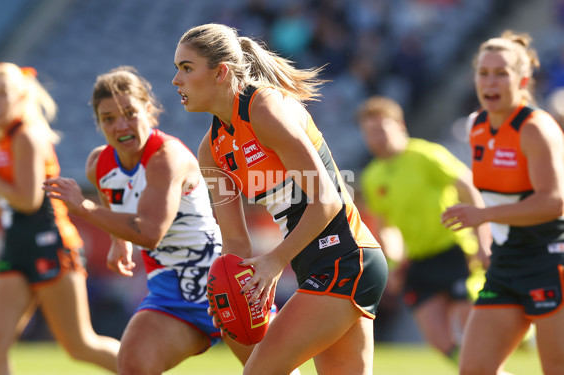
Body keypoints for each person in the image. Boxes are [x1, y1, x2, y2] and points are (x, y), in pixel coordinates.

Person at [171, 23, 388, 375]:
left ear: (221, 72)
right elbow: (236, 242)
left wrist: (275, 261)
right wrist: (230, 289)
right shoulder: (210, 152)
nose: (176, 81)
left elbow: (328, 201)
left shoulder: (264, 109)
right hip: (318, 264)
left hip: (345, 256)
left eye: (186, 68)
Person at [43, 66, 255, 374]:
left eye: (130, 112)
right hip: (170, 296)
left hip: (222, 283)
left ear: (149, 110)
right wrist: (119, 241)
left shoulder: (167, 158)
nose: (121, 126)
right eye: (109, 119)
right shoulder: (98, 164)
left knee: (273, 369)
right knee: (133, 365)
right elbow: (114, 198)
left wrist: (84, 209)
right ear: (99, 124)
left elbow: (151, 231)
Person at [0, 62, 119, 374]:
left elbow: (29, 199)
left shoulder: (27, 136)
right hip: (17, 246)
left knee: (79, 345)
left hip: (51, 245)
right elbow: (18, 194)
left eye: (3, 94)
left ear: (20, 96)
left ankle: (143, 367)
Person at [442, 30, 564, 375]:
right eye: (483, 73)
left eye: (501, 73)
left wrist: (483, 215)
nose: (490, 82)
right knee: (474, 370)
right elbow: (495, 190)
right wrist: (485, 238)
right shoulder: (475, 126)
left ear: (522, 79)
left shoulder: (536, 128)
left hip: (551, 261)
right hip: (506, 264)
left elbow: (554, 203)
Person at [356, 95, 491, 363]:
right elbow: (387, 227)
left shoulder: (426, 155)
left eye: (382, 129)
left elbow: (470, 190)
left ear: (400, 126)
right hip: (419, 261)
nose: (377, 138)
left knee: (475, 335)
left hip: (454, 252)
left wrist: (482, 243)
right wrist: (393, 265)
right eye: (370, 133)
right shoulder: (372, 177)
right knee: (440, 342)